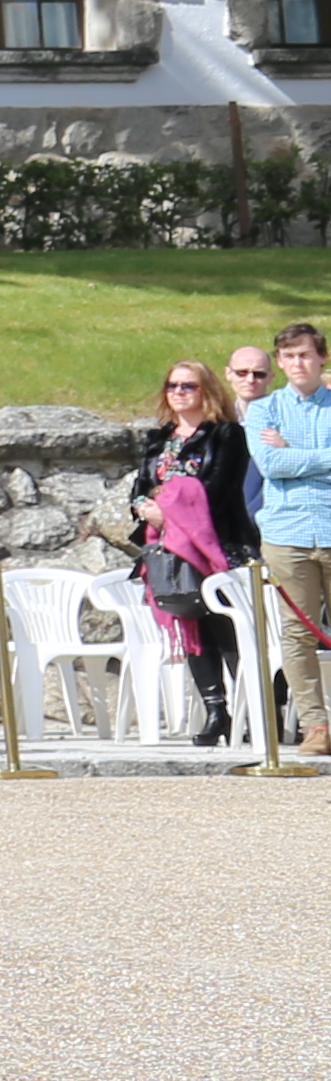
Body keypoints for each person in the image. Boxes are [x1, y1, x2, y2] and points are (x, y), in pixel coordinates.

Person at [119, 358, 260, 748]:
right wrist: (145, 508)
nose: (178, 392)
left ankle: (256, 710)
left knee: (229, 627)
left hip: (220, 545)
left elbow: (218, 490)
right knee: (191, 623)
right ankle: (216, 711)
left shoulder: (227, 435)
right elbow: (141, 486)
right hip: (170, 550)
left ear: (206, 391)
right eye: (172, 386)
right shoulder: (159, 438)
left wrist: (168, 509)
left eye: (188, 386)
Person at [250, 321, 331, 763]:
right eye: (289, 356)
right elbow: (270, 464)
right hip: (288, 533)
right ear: (280, 362)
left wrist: (292, 453)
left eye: (305, 355)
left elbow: (285, 460)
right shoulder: (265, 410)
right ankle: (315, 726)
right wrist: (317, 459)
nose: (298, 363)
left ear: (322, 358)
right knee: (298, 632)